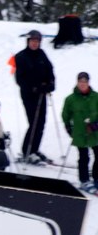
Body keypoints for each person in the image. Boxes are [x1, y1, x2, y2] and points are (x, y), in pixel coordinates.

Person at [14, 29, 55, 163]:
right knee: (34, 122)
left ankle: (35, 148)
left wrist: (50, 84)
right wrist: (34, 87)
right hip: (29, 95)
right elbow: (20, 79)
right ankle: (27, 151)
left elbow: (49, 70)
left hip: (41, 94)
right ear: (28, 41)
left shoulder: (41, 54)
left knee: (41, 122)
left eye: (37, 41)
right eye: (32, 41)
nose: (34, 44)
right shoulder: (21, 56)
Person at [62, 71, 98, 192]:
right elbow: (65, 114)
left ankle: (96, 177)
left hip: (94, 132)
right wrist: (68, 127)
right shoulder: (70, 99)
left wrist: (95, 124)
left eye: (85, 82)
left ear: (88, 82)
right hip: (79, 132)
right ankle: (84, 180)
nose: (82, 84)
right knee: (83, 157)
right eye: (80, 82)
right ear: (77, 82)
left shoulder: (95, 97)